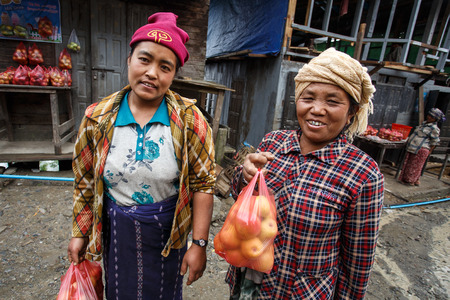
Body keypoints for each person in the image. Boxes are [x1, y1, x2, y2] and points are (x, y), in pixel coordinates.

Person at [66, 12, 216, 299]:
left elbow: (202, 184)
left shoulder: (189, 120)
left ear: (174, 74)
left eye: (165, 67)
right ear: (129, 60)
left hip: (166, 234)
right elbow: (84, 181)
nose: (152, 73)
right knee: (119, 291)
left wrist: (198, 244)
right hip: (116, 230)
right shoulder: (96, 118)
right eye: (144, 59)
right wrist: (80, 232)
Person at [226, 48, 384, 299]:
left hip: (301, 292)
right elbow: (241, 199)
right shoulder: (273, 143)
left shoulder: (363, 172)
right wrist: (243, 177)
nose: (317, 109)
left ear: (351, 111)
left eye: (332, 101)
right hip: (249, 283)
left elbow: (358, 262)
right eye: (308, 98)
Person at [399, 108, 445, 186]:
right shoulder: (423, 124)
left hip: (421, 150)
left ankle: (410, 181)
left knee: (415, 166)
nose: (429, 117)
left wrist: (429, 151)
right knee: (409, 164)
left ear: (435, 119)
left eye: (432, 117)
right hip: (413, 148)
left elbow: (434, 142)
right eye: (429, 115)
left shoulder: (434, 128)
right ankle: (411, 179)